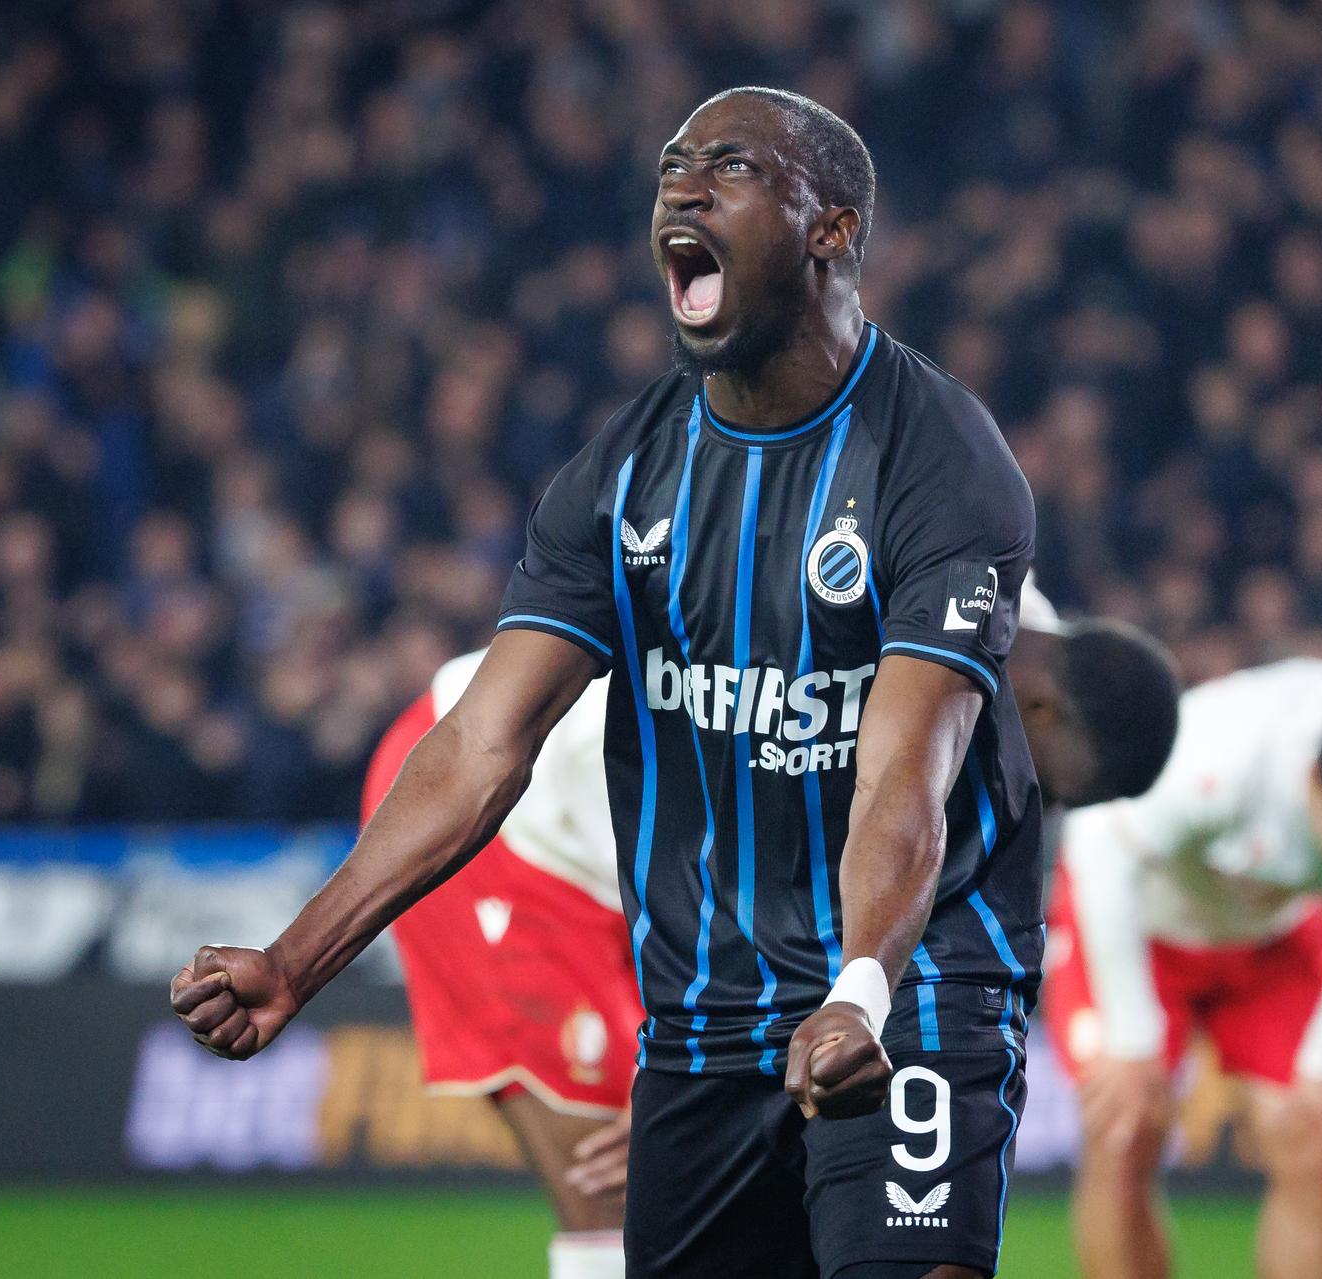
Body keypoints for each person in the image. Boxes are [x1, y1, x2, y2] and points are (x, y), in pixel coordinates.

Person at [171, 86, 1178, 1279]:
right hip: (703, 1009)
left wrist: (861, 988)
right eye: (672, 168)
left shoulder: (942, 467)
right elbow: (484, 741)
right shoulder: (620, 473)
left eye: (733, 167)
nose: (684, 190)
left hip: (910, 985)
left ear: (832, 230)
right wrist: (295, 961)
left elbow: (903, 766)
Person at [1043, 658, 1322, 1279]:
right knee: (1124, 1130)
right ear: (1315, 784)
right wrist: (1132, 1040)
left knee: (1313, 1135)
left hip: (1275, 935)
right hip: (1139, 924)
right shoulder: (1216, 758)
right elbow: (1099, 852)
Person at [362, 650, 636, 1277]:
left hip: (585, 835)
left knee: (687, 1142)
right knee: (614, 1177)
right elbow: (700, 911)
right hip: (485, 809)